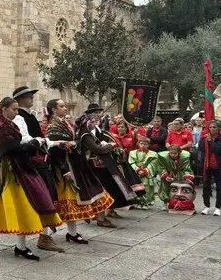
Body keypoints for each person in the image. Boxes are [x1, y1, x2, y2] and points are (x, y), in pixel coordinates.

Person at [0, 97, 61, 260]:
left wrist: (35, 143)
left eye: (17, 109)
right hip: (12, 169)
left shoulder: (8, 124)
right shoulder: (1, 126)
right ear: (4, 109)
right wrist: (34, 144)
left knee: (12, 203)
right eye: (14, 109)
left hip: (18, 166)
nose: (17, 112)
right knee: (20, 203)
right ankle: (19, 245)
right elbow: (13, 148)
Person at [45, 99, 113, 244]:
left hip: (73, 164)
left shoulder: (64, 124)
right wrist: (64, 171)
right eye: (61, 106)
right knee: (62, 200)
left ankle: (72, 233)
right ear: (53, 109)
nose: (64, 108)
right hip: (62, 168)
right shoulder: (53, 127)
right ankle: (47, 235)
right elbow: (55, 151)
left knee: (74, 200)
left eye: (64, 106)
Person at [12, 86, 60, 251]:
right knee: (31, 199)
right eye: (28, 95)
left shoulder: (29, 116)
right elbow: (25, 139)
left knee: (44, 197)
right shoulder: (19, 117)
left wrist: (50, 142)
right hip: (28, 162)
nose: (31, 97)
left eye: (31, 95)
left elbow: (38, 137)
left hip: (37, 160)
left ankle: (44, 236)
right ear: (19, 99)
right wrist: (43, 141)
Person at [76, 113, 136, 227]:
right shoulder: (85, 135)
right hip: (92, 166)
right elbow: (97, 149)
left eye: (95, 121)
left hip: (98, 166)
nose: (95, 123)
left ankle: (100, 215)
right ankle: (100, 217)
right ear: (86, 123)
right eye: (92, 121)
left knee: (102, 190)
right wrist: (110, 146)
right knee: (100, 190)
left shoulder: (92, 134)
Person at [198, 120, 221, 215]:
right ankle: (206, 206)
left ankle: (218, 207)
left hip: (218, 166)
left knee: (219, 187)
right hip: (206, 165)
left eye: (214, 127)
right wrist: (204, 140)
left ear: (219, 129)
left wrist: (210, 141)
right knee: (206, 186)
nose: (212, 129)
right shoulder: (204, 137)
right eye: (210, 127)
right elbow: (201, 149)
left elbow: (218, 149)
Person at [128, 136, 158, 209]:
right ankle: (138, 202)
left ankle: (145, 203)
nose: (143, 145)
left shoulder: (153, 154)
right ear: (138, 144)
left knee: (146, 188)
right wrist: (137, 170)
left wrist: (145, 171)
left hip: (146, 174)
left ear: (148, 145)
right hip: (136, 174)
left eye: (145, 144)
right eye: (141, 144)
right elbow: (131, 163)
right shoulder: (132, 153)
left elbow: (153, 164)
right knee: (137, 187)